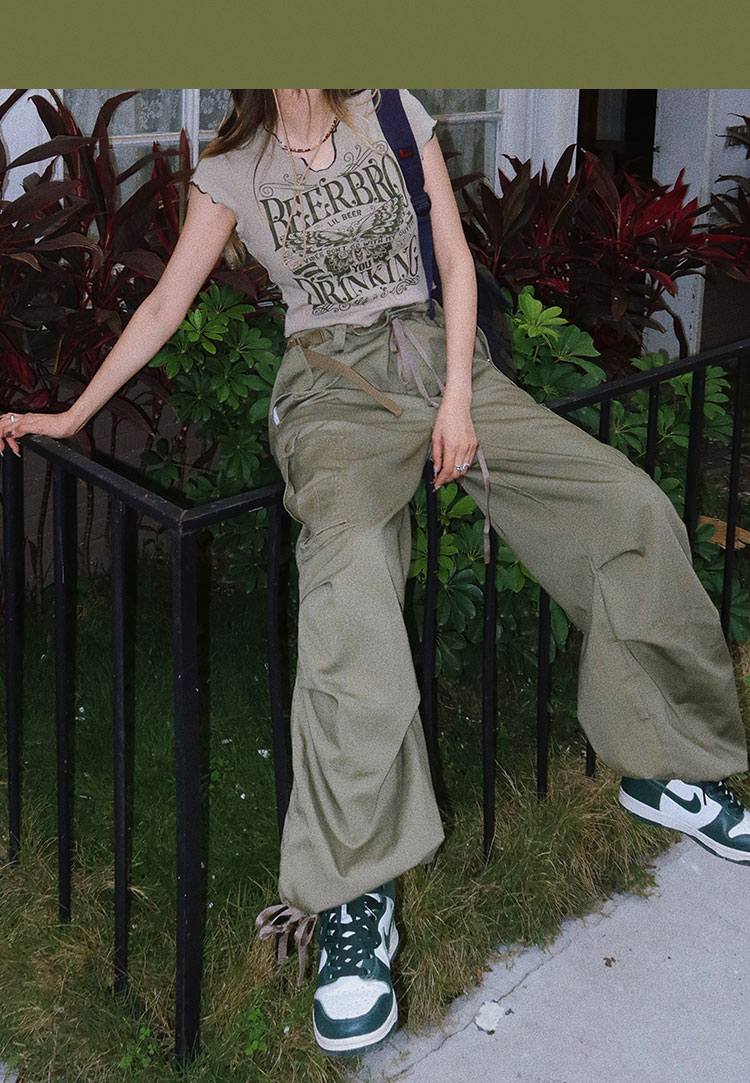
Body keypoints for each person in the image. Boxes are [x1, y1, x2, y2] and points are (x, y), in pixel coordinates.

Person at [2, 88, 749, 1059]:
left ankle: (668, 759)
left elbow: (454, 259)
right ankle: (357, 892)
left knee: (630, 508)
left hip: (440, 361)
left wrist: (458, 401)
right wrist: (70, 414)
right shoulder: (233, 169)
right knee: (349, 575)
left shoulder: (389, 111)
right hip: (333, 390)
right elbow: (163, 304)